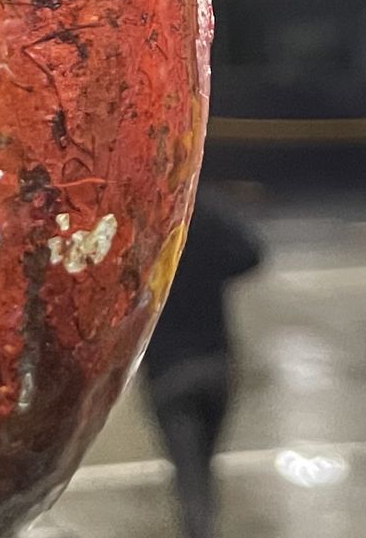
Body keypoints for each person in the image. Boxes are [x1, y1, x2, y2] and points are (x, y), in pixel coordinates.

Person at [142, 188, 265, 538]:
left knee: (188, 469)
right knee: (205, 461)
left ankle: (200, 529)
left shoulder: (151, 227)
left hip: (168, 371)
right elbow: (252, 255)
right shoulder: (207, 215)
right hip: (216, 363)